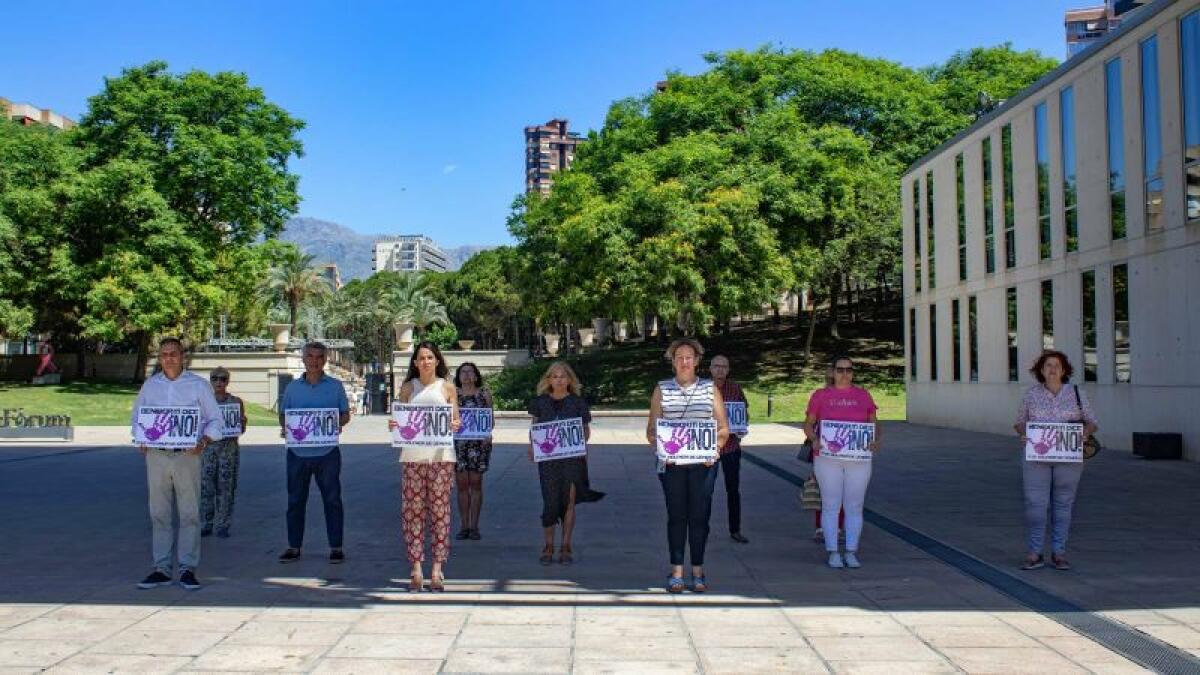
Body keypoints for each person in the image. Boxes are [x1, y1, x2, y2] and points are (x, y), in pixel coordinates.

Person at [132, 337, 223, 591]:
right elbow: (138, 415)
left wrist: (204, 440)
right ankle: (161, 568)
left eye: (173, 353)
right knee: (159, 513)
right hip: (157, 455)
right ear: (159, 358)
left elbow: (215, 420)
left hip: (187, 455)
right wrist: (139, 436)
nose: (169, 358)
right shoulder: (150, 386)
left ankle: (187, 568)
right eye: (164, 354)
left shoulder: (198, 386)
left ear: (183, 356)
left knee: (189, 513)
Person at [647, 338, 730, 593]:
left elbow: (723, 428)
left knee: (700, 517)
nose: (684, 362)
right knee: (676, 516)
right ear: (672, 361)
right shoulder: (662, 389)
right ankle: (676, 571)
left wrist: (715, 449)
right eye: (679, 357)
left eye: (689, 357)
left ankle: (698, 569)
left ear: (697, 361)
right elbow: (652, 429)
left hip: (703, 465)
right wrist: (661, 448)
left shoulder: (710, 389)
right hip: (671, 465)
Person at [1013, 350, 1098, 572]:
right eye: (1048, 365)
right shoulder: (1031, 394)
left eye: (1057, 365)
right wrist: (1023, 433)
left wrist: (1086, 433)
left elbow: (1092, 422)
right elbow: (1020, 421)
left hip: (1068, 456)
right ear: (1041, 370)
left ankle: (1059, 553)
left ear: (1064, 370)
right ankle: (1034, 553)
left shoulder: (1077, 393)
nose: (1052, 369)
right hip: (1036, 456)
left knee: (1063, 505)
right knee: (1035, 505)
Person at [391, 341, 461, 592]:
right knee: (413, 513)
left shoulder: (448, 388)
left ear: (437, 360)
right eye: (421, 358)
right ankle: (417, 567)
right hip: (412, 458)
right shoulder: (409, 388)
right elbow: (400, 417)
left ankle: (437, 569)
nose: (426, 361)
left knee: (441, 513)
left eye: (430, 357)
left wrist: (454, 425)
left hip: (441, 458)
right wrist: (395, 425)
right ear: (415, 362)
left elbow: (456, 419)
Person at [802, 355, 881, 569]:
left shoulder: (863, 395)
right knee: (831, 505)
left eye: (848, 370)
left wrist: (875, 441)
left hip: (858, 459)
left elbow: (874, 424)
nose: (844, 374)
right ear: (832, 372)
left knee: (854, 506)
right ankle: (833, 552)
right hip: (828, 459)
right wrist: (815, 440)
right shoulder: (820, 395)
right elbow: (808, 424)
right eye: (840, 370)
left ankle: (852, 551)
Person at [278, 342, 351, 565]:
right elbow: (283, 415)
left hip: (327, 453)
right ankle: (293, 546)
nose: (314, 360)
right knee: (295, 501)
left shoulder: (336, 386)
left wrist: (335, 423)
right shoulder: (292, 388)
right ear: (303, 359)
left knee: (332, 500)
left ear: (325, 360)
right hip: (297, 454)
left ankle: (336, 547)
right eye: (310, 356)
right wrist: (287, 427)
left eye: (319, 357)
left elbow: (345, 415)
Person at [527, 361, 600, 566]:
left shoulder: (578, 402)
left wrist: (581, 443)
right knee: (550, 502)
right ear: (548, 379)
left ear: (570, 379)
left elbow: (585, 429)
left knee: (568, 502)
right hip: (548, 461)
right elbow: (534, 427)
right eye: (554, 376)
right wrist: (532, 446)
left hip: (572, 460)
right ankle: (548, 545)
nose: (559, 380)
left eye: (562, 376)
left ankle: (566, 545)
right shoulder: (540, 402)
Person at [201, 367, 246, 539]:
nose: (219, 382)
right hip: (209, 449)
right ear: (210, 381)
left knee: (226, 487)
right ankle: (206, 523)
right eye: (215, 378)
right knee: (206, 487)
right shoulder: (204, 402)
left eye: (223, 379)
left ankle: (223, 524)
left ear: (228, 381)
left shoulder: (236, 402)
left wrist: (242, 423)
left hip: (229, 449)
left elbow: (240, 429)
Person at [708, 355, 749, 544]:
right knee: (705, 490)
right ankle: (702, 528)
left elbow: (743, 411)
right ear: (710, 368)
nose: (720, 370)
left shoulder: (735, 388)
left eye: (724, 366)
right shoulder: (702, 388)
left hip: (731, 447)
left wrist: (742, 426)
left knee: (733, 490)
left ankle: (735, 529)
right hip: (708, 447)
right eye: (716, 366)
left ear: (728, 369)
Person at [453, 362, 492, 541]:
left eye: (470, 372)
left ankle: (474, 526)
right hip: (458, 444)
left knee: (476, 483)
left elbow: (490, 420)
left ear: (476, 376)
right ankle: (464, 526)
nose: (467, 375)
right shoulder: (452, 395)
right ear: (458, 376)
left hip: (479, 444)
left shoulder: (484, 394)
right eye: (463, 372)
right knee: (462, 485)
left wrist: (487, 434)